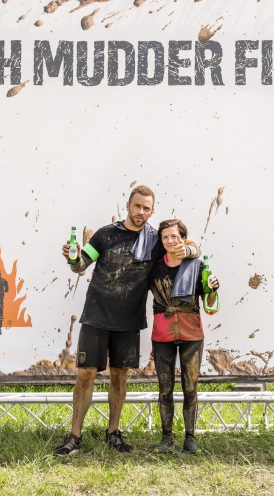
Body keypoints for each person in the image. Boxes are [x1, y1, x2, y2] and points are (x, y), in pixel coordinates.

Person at [54, 186, 200, 455]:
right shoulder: (105, 234)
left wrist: (189, 249)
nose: (141, 212)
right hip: (96, 315)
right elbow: (81, 264)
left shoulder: (155, 240)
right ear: (128, 205)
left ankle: (113, 433)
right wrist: (72, 258)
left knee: (120, 377)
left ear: (152, 211)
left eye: (146, 208)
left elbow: (190, 247)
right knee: (85, 375)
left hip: (129, 321)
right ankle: (74, 436)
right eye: (137, 206)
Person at [149, 219, 219, 454]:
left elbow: (209, 303)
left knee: (190, 387)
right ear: (161, 241)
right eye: (166, 237)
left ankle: (190, 439)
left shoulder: (197, 266)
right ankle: (166, 438)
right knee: (165, 388)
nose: (171, 241)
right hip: (162, 334)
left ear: (183, 238)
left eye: (175, 236)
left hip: (191, 333)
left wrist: (212, 289)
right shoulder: (154, 266)